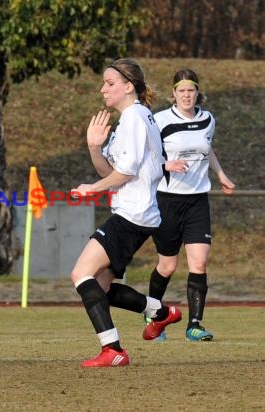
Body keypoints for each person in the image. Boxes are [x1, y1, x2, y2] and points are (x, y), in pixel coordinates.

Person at [70, 58, 182, 368]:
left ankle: (113, 351)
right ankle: (160, 312)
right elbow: (114, 170)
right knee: (101, 289)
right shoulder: (134, 119)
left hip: (131, 214)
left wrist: (92, 188)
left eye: (110, 83)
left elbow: (126, 174)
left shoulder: (135, 118)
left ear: (128, 86)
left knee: (81, 274)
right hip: (137, 214)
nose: (103, 88)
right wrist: (94, 148)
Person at [147, 69, 235, 342]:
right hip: (167, 201)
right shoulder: (159, 120)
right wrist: (166, 165)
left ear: (197, 92)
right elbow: (145, 157)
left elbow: (207, 148)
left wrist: (221, 175)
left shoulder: (208, 119)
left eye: (191, 90)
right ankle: (153, 315)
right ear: (173, 93)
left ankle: (194, 325)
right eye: (181, 90)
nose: (186, 95)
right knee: (168, 266)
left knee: (199, 262)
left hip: (198, 200)